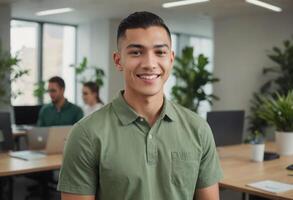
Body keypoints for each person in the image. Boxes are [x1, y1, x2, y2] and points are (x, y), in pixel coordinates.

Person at [58, 11, 223, 200]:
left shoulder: (198, 129)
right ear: (118, 60)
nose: (150, 64)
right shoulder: (86, 134)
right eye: (136, 52)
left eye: (160, 52)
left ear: (171, 58)